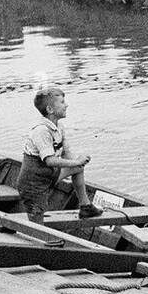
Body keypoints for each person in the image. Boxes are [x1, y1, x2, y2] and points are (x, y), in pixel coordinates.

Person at [16, 85, 98, 224]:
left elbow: (66, 153)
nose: (66, 105)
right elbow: (50, 161)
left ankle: (86, 206)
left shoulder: (59, 127)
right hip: (33, 185)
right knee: (37, 222)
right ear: (50, 109)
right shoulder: (41, 131)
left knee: (78, 168)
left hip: (49, 177)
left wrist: (78, 162)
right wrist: (76, 162)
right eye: (62, 103)